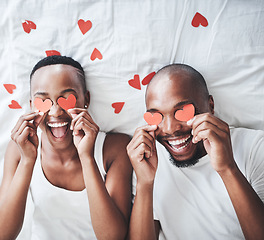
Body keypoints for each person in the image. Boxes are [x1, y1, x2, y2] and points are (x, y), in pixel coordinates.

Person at [0, 55, 132, 240]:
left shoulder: (114, 149)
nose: (55, 112)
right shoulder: (19, 150)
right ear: (31, 106)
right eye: (43, 102)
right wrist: (28, 161)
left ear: (85, 99)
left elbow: (112, 236)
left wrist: (87, 157)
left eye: (66, 99)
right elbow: (3, 234)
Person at [127, 63, 264, 240]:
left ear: (211, 106)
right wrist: (144, 184)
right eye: (157, 116)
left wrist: (227, 168)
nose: (169, 129)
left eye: (183, 112)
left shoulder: (254, 147)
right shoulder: (146, 161)